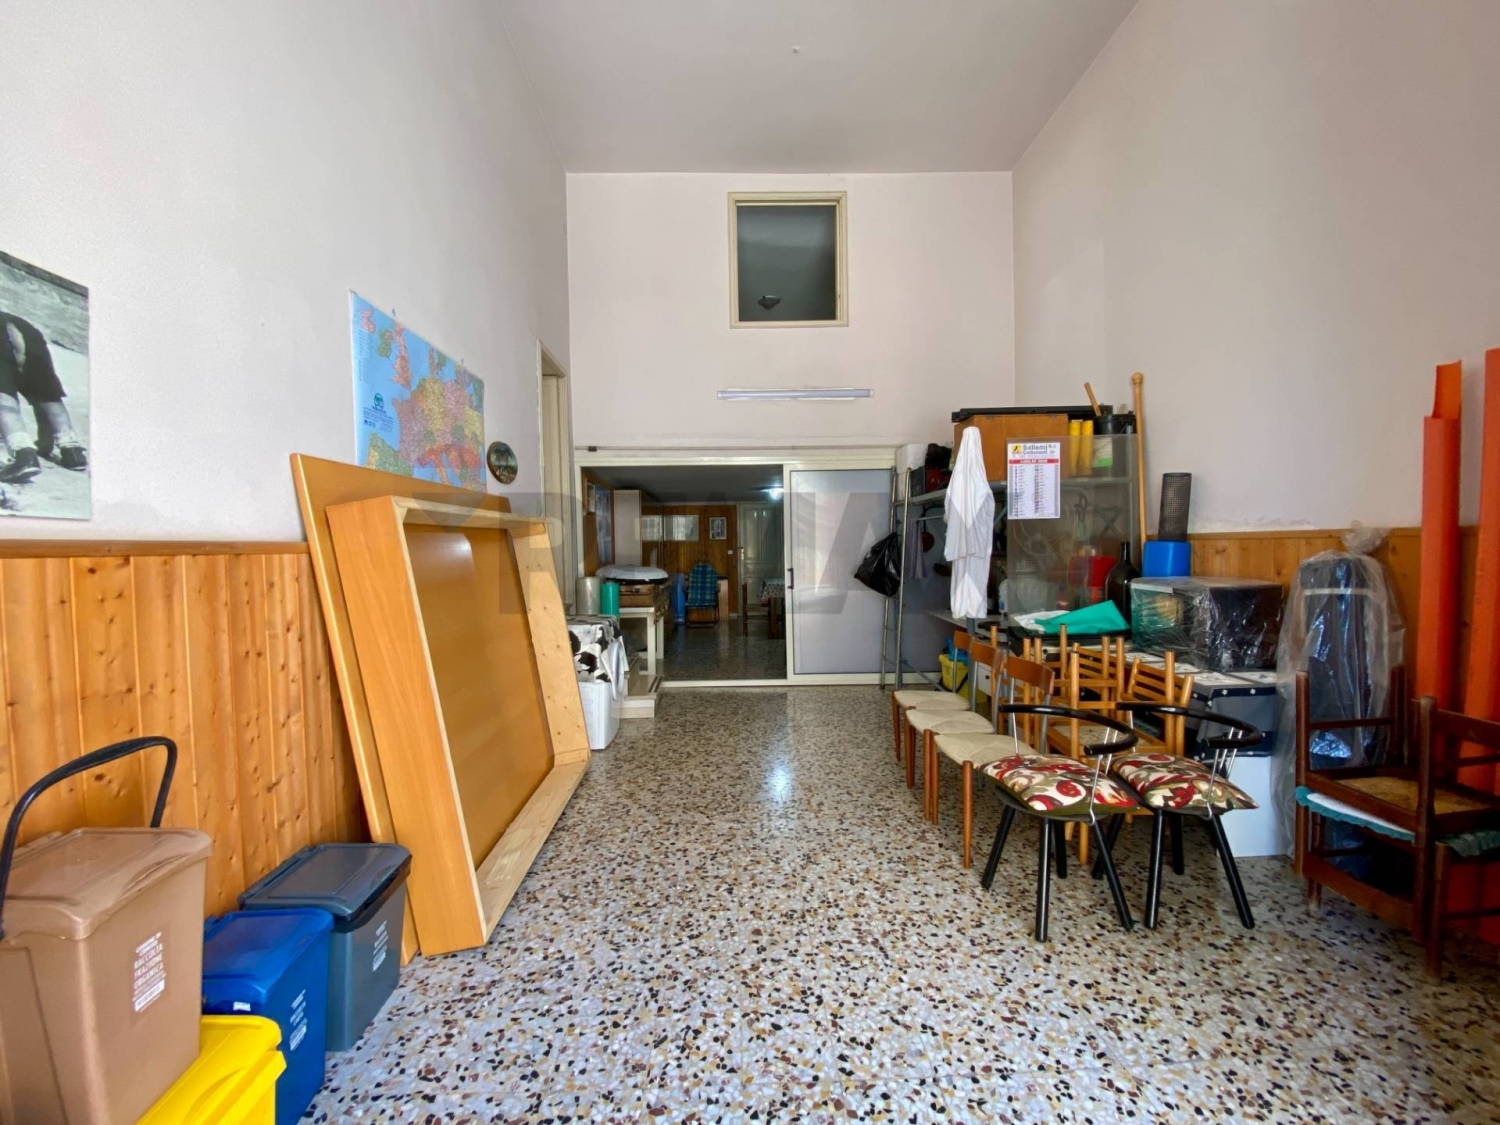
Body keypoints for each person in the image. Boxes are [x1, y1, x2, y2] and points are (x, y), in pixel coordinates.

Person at [0, 311, 87, 481]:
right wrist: (45, 443)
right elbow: (41, 394)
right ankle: (71, 450)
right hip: (26, 329)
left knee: (3, 395)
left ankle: (23, 453)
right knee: (45, 392)